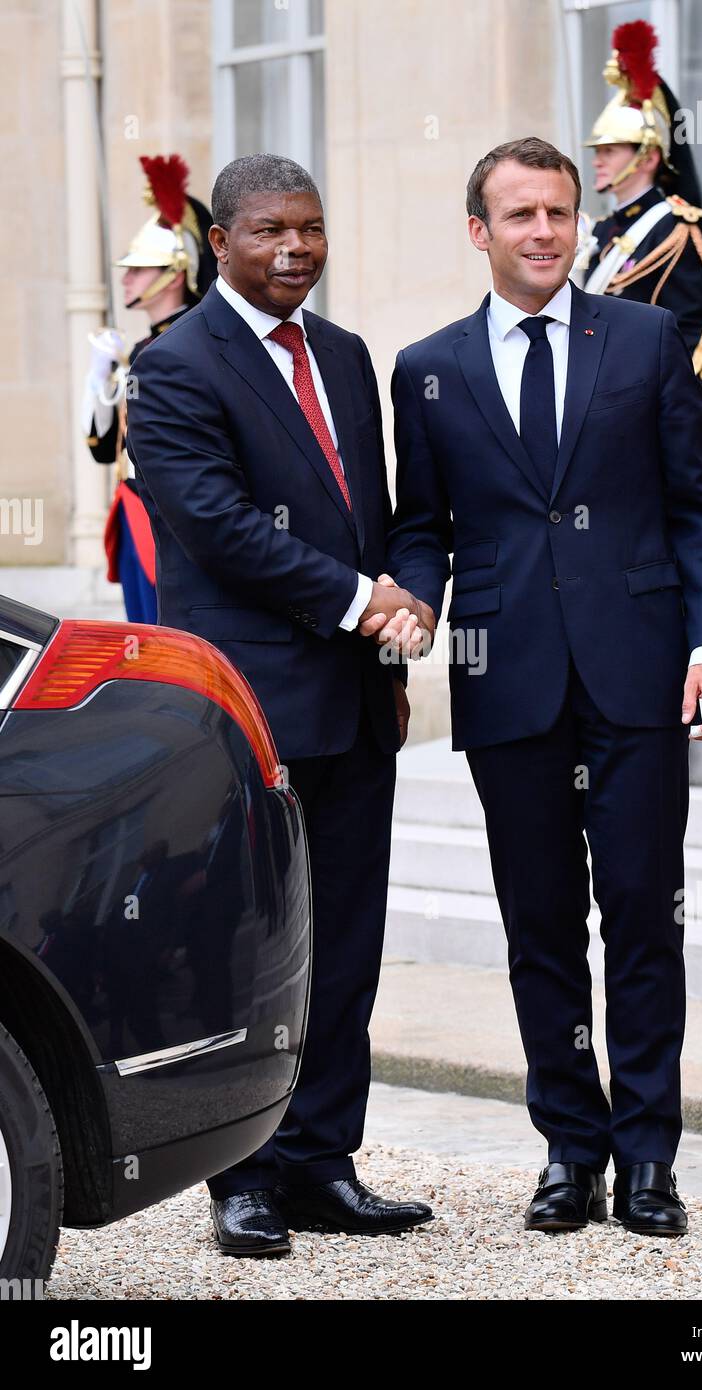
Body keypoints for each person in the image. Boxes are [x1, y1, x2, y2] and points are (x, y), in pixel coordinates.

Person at [366, 137, 702, 1236]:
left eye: (558, 213)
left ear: (577, 223)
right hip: (505, 679)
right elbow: (419, 525)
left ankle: (648, 1159)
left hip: (636, 676)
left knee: (640, 918)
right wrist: (413, 605)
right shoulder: (426, 368)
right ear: (477, 232)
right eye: (519, 215)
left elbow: (694, 511)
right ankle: (568, 1151)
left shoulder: (645, 337)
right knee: (538, 925)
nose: (543, 232)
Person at [126, 153, 435, 1258]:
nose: (294, 248)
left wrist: (398, 628)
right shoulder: (172, 366)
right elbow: (215, 525)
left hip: (355, 705)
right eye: (268, 230)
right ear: (219, 240)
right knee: (248, 945)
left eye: (309, 227)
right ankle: (240, 1174)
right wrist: (363, 600)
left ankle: (320, 1161)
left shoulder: (346, 358)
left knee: (346, 942)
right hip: (247, 709)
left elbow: (376, 515)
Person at [82, 154, 217, 621]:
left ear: (174, 273)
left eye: (138, 269)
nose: (126, 278)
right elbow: (102, 449)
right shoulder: (139, 348)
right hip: (132, 512)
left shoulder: (189, 345)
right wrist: (97, 379)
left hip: (169, 520)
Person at [577, 20, 702, 415]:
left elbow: (695, 334)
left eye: (611, 150)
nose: (598, 160)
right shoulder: (604, 230)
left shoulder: (676, 229)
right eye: (598, 150)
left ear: (648, 156)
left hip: (647, 408)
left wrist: (688, 419)